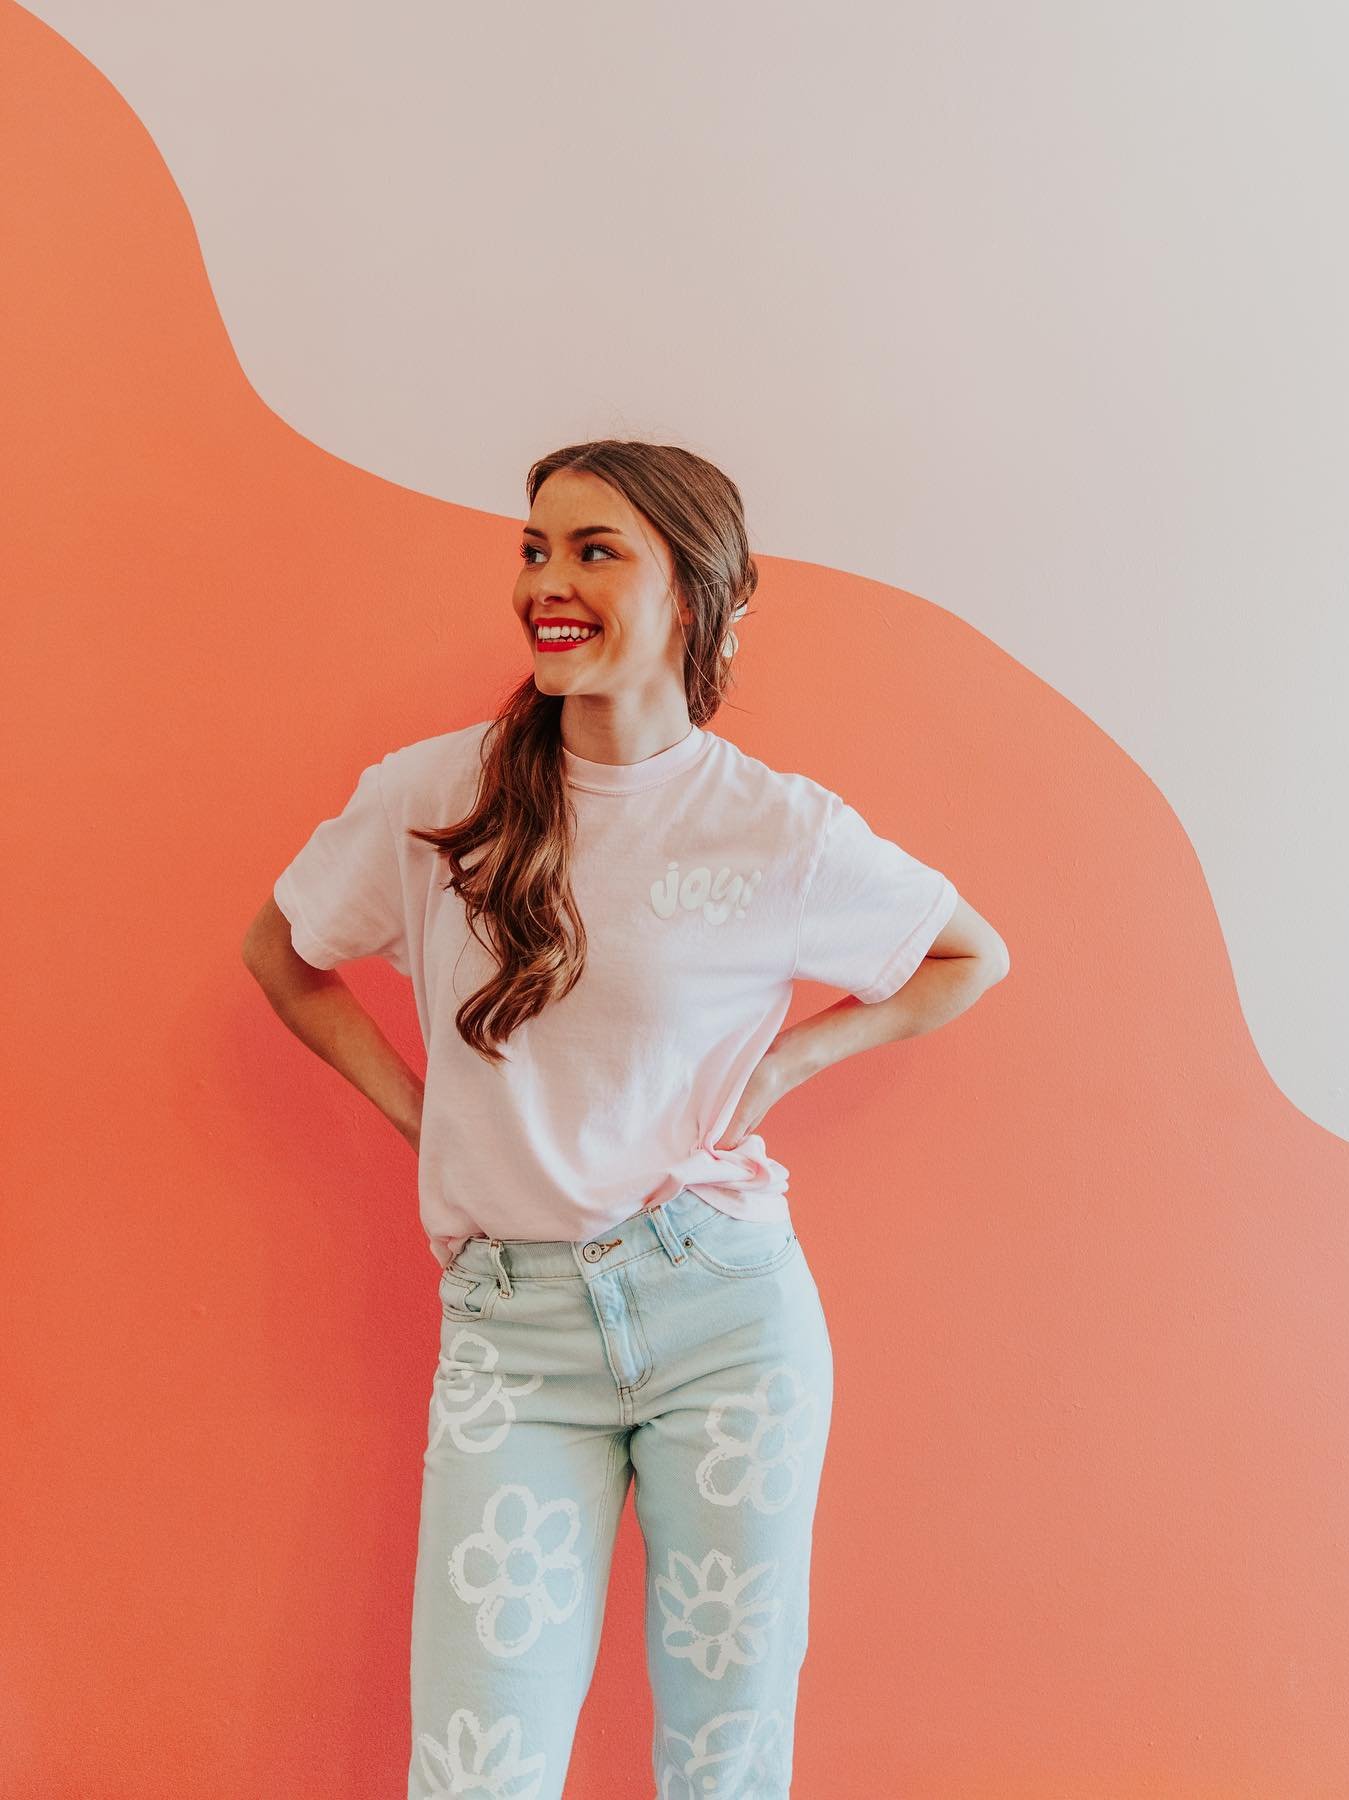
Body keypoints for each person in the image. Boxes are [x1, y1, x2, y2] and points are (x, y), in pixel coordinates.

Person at [242, 438, 1010, 1798]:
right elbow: (283, 953)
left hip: (726, 1318)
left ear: (697, 595)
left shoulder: (776, 828)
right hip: (512, 1333)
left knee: (725, 1759)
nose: (548, 580)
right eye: (536, 548)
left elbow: (968, 957)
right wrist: (427, 1125)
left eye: (596, 551)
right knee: (477, 1765)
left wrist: (787, 1070)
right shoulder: (442, 795)